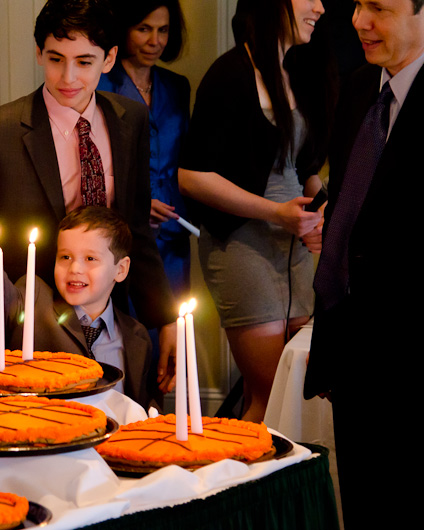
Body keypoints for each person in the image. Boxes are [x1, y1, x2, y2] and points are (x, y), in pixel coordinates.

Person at [0, 0, 177, 394]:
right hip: (27, 324)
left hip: (108, 319)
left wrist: (166, 317)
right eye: (56, 59)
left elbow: (136, 229)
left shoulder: (131, 119)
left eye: (84, 62)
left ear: (109, 59)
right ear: (39, 52)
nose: (68, 77)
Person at [178, 0, 336, 422]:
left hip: (292, 246)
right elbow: (192, 177)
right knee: (270, 399)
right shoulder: (230, 73)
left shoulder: (297, 69)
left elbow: (302, 168)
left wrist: (320, 211)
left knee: (298, 393)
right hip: (241, 242)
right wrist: (276, 212)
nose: (320, 7)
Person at [304, 0, 424, 525]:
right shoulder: (358, 88)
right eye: (357, 3)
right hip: (352, 349)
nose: (359, 21)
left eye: (379, 7)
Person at [0, 206, 154, 409]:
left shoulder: (137, 338)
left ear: (121, 269)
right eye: (65, 257)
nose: (75, 268)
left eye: (90, 258)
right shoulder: (34, 299)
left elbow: (143, 406)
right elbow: (2, 296)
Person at [97, 0, 191, 298]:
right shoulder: (99, 85)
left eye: (163, 30)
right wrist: (136, 203)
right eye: (144, 29)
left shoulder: (177, 86)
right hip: (120, 231)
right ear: (124, 30)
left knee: (175, 318)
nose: (155, 41)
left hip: (174, 231)